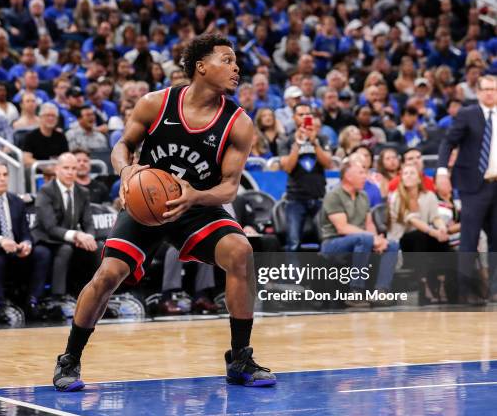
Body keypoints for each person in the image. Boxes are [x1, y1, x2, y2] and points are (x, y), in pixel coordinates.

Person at [53, 34, 276, 391]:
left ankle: (240, 358)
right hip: (147, 204)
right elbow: (122, 146)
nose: (237, 68)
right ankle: (70, 358)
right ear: (201, 67)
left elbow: (230, 187)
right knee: (109, 274)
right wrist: (127, 172)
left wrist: (196, 196)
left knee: (241, 252)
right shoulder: (155, 104)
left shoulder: (239, 123)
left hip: (196, 205)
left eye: (237, 62)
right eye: (227, 60)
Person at [437, 75, 497, 303]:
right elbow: (448, 143)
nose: (490, 93)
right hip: (473, 186)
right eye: (486, 89)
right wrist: (442, 171)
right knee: (469, 239)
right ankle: (466, 291)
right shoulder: (467, 114)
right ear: (478, 92)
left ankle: (494, 289)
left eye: (494, 89)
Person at [0, 162, 51, 322]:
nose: (2, 179)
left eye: (5, 175)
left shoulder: (16, 201)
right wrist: (1, 240)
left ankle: (33, 302)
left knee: (42, 253)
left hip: (16, 247)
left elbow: (26, 231)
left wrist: (26, 243)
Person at [319, 159, 399, 307]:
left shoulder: (363, 196)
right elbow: (342, 228)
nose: (365, 176)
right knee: (364, 239)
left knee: (392, 244)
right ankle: (355, 291)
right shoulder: (334, 195)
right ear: (348, 176)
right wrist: (370, 238)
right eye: (361, 172)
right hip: (333, 243)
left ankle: (381, 291)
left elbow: (369, 223)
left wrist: (377, 239)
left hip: (361, 240)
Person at [32, 153, 97, 303]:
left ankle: (93, 294)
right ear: (57, 169)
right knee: (65, 249)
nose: (70, 172)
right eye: (66, 168)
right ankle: (58, 298)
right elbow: (49, 227)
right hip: (46, 239)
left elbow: (88, 223)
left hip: (69, 238)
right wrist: (76, 236)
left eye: (73, 168)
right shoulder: (46, 191)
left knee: (96, 247)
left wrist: (89, 237)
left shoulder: (83, 192)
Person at [387, 164, 451, 304]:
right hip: (403, 238)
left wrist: (442, 229)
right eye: (405, 173)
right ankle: (424, 285)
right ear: (401, 178)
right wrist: (434, 232)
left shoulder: (429, 195)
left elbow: (435, 217)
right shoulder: (397, 197)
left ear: (419, 178)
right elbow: (413, 221)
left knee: (443, 240)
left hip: (425, 234)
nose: (408, 176)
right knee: (419, 236)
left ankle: (442, 283)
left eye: (412, 173)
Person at [280, 104, 332, 251]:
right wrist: (298, 143)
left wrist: (314, 142)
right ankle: (292, 274)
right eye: (300, 114)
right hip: (295, 198)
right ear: (294, 118)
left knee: (326, 241)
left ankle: (326, 272)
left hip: (319, 197)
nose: (304, 117)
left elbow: (328, 164)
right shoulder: (287, 140)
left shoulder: (321, 138)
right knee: (293, 243)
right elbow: (287, 167)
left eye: (307, 114)